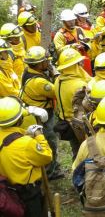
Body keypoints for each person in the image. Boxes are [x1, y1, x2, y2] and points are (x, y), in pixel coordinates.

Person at [0, 96, 52, 217]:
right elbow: (46, 156)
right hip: (27, 192)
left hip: (6, 189)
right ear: (20, 119)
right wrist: (39, 135)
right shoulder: (26, 143)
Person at [20, 46, 63, 180]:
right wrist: (55, 74)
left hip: (36, 111)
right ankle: (50, 171)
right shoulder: (39, 82)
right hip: (42, 115)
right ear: (38, 64)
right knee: (49, 141)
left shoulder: (28, 71)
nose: (48, 63)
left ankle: (51, 165)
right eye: (45, 61)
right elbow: (57, 91)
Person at [54, 47, 91, 159]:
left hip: (66, 122)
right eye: (78, 63)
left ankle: (77, 171)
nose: (81, 65)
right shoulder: (79, 85)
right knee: (86, 152)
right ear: (74, 66)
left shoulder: (58, 80)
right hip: (79, 125)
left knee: (76, 151)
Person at [53, 9, 93, 75]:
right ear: (64, 21)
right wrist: (72, 46)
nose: (72, 22)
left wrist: (87, 42)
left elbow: (88, 46)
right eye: (69, 21)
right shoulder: (60, 34)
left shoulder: (79, 29)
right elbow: (59, 50)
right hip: (69, 64)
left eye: (73, 20)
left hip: (82, 61)